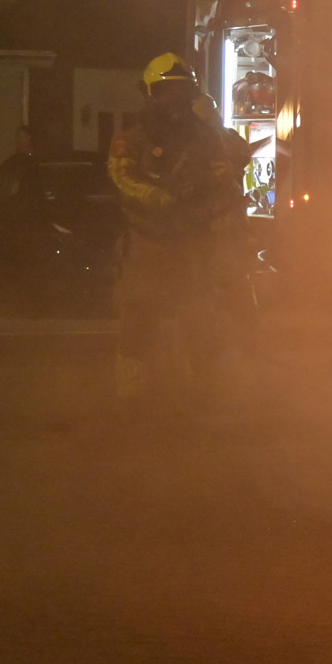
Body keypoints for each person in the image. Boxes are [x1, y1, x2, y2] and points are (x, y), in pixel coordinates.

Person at [107, 53, 251, 404]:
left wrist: (203, 199)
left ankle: (202, 387)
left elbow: (223, 176)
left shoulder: (204, 136)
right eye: (165, 92)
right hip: (146, 241)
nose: (174, 100)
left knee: (198, 314)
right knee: (139, 316)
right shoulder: (133, 135)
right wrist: (155, 196)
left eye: (181, 92)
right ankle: (132, 391)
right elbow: (121, 175)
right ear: (149, 94)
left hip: (191, 240)